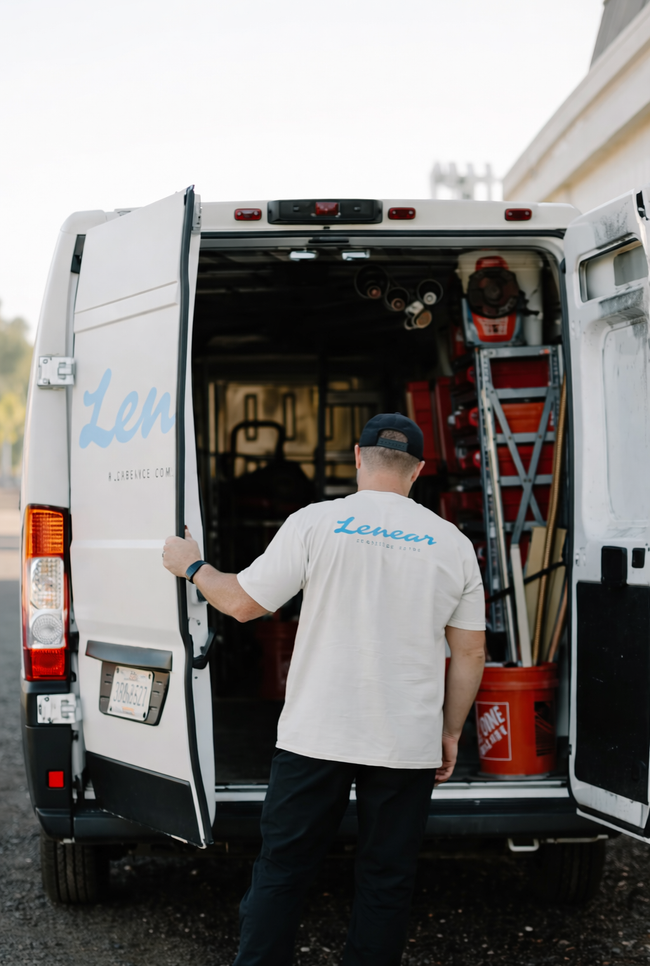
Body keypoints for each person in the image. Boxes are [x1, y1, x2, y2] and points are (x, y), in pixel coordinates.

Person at [162, 412, 486, 966]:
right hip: (406, 741)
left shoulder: (314, 522)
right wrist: (450, 731)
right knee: (386, 879)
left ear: (357, 458)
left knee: (284, 869)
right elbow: (471, 652)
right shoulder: (452, 543)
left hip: (316, 735)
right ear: (419, 471)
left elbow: (241, 603)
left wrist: (193, 566)